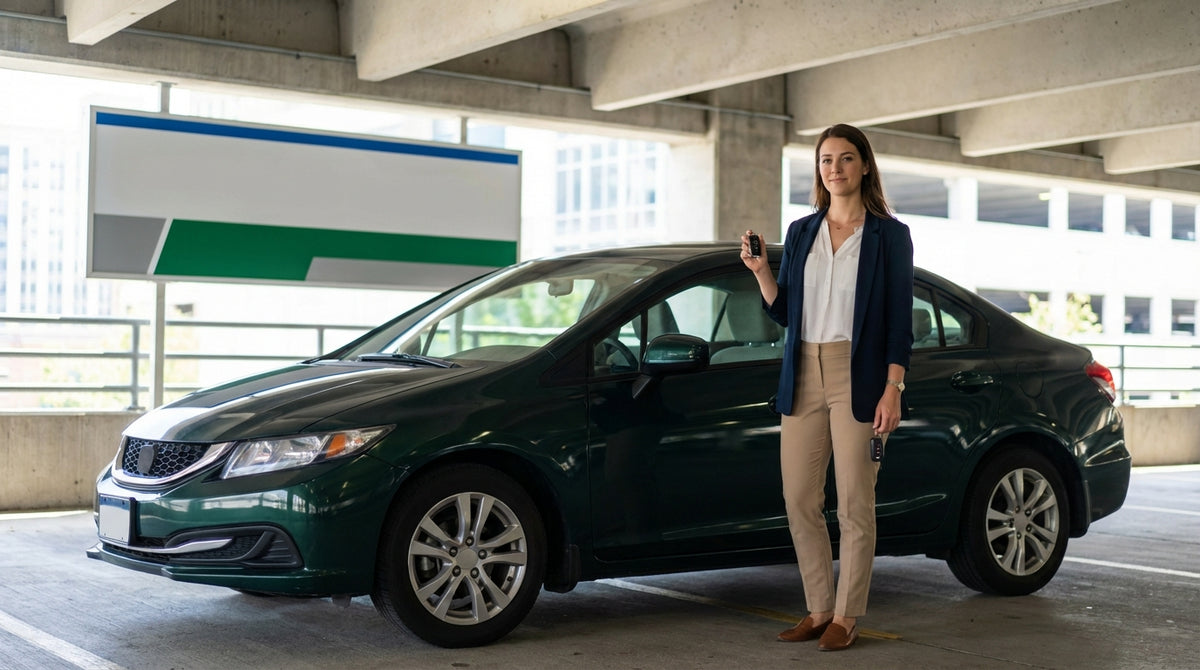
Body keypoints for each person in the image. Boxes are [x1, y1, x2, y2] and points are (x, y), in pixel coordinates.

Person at [740, 123, 913, 652]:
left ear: (863, 167)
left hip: (858, 374)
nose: (834, 169)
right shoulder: (800, 232)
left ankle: (848, 615)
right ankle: (818, 608)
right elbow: (785, 311)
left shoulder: (889, 235)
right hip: (804, 371)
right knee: (798, 497)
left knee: (855, 502)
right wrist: (761, 271)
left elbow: (899, 321)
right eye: (825, 161)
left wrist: (893, 389)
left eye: (844, 159)